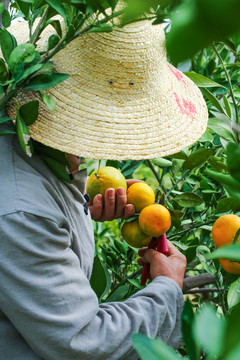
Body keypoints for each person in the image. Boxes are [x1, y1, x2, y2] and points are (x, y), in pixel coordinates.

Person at [0, 9, 208, 360]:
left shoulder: (31, 146)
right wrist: (168, 289)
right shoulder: (22, 210)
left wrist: (77, 202)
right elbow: (85, 342)